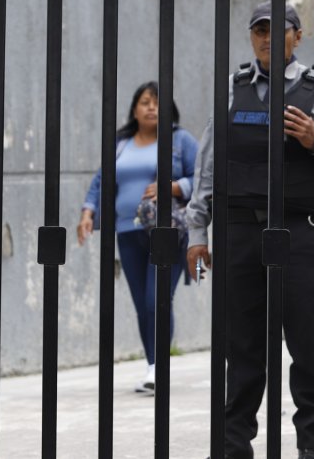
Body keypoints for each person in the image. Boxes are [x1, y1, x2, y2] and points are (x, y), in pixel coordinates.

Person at [184, 1, 314, 459]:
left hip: (300, 228)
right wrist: (197, 230)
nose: (266, 38)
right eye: (259, 30)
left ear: (298, 37)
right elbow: (208, 164)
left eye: (277, 30)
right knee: (241, 345)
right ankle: (233, 445)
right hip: (239, 230)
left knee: (308, 342)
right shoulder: (233, 87)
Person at [78, 81, 199, 394]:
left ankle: (160, 367)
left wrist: (172, 187)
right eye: (145, 101)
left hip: (166, 231)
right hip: (126, 230)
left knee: (155, 299)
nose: (151, 107)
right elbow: (100, 180)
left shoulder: (180, 140)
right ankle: (152, 367)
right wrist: (88, 211)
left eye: (157, 102)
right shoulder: (121, 142)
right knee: (141, 304)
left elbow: (201, 177)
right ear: (135, 108)